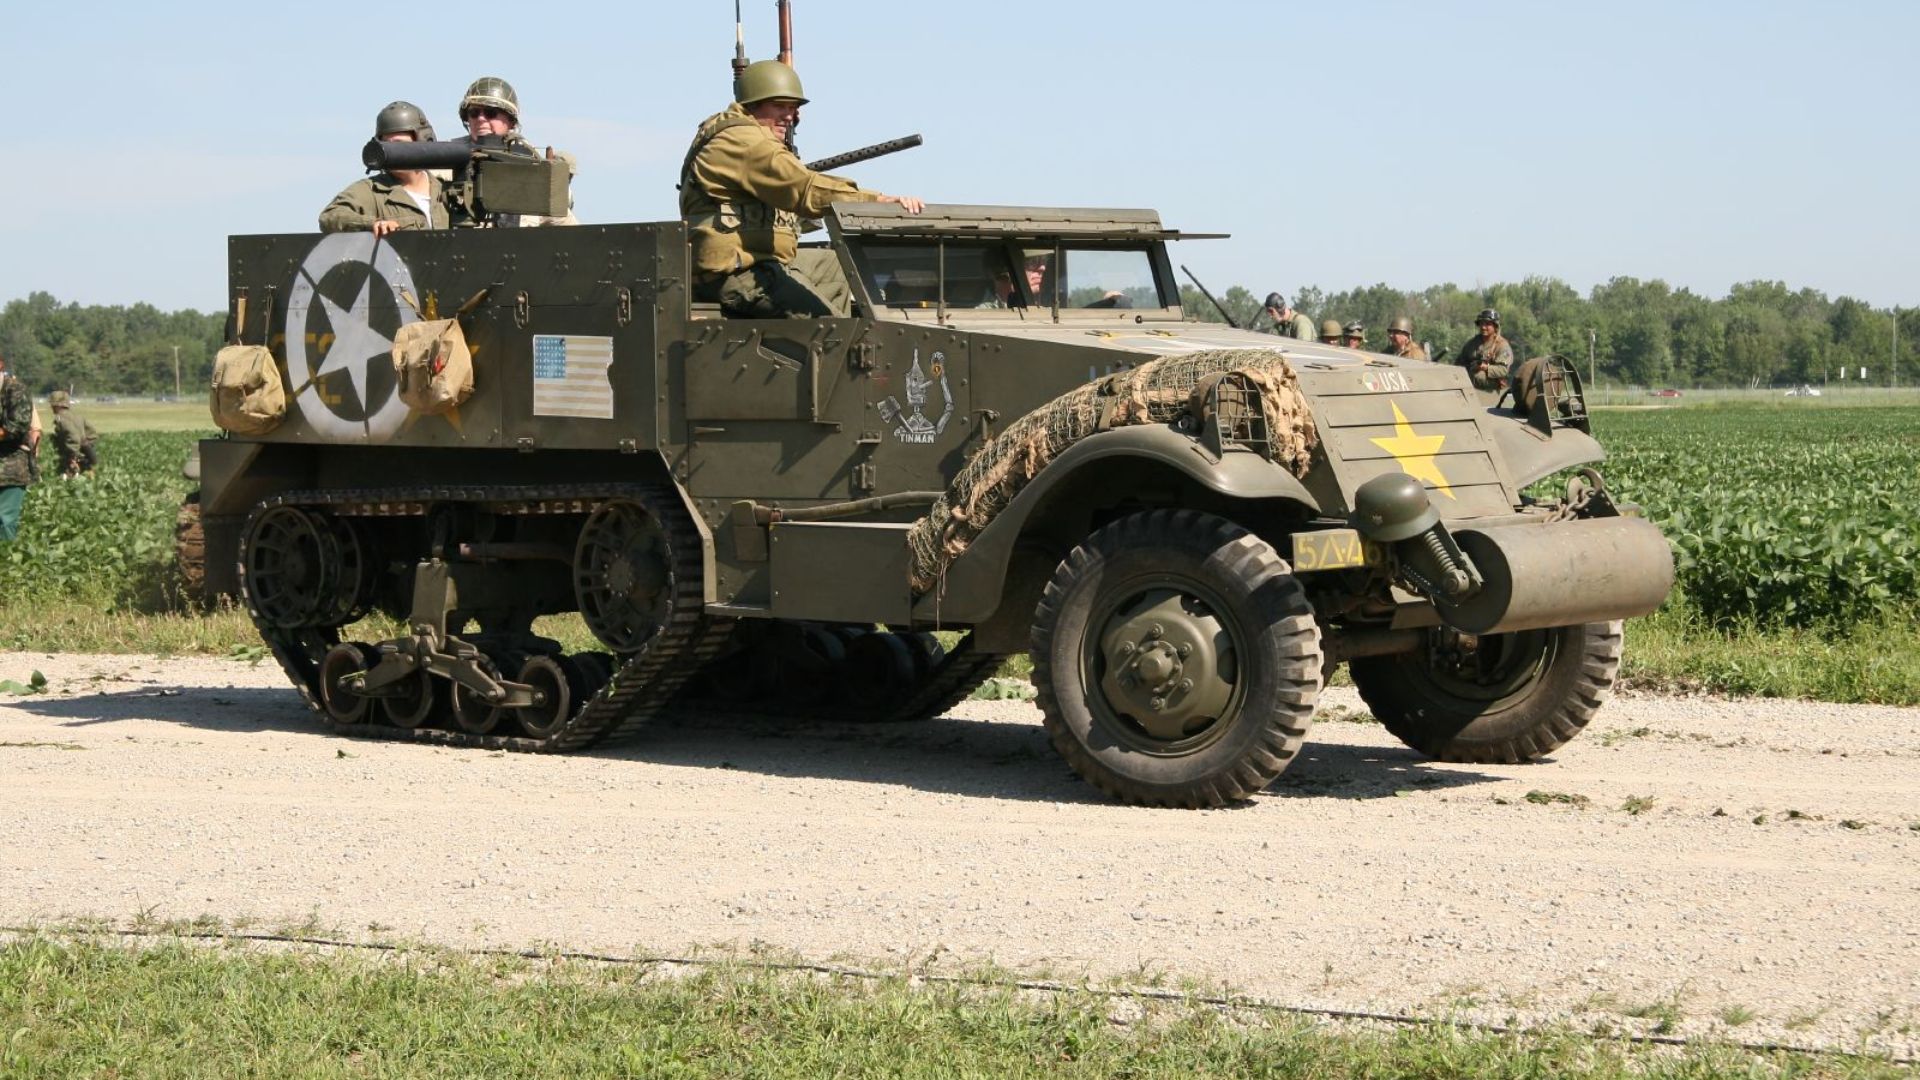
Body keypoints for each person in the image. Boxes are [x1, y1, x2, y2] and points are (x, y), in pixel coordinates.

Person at [681, 59, 925, 318]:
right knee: (832, 331)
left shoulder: (752, 139)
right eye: (779, 106)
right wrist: (875, 201)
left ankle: (832, 338)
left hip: (761, 261)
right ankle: (835, 339)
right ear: (751, 106)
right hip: (735, 272)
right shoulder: (742, 141)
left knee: (837, 266)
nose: (788, 115)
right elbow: (803, 188)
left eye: (793, 108)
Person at [452, 76, 578, 227]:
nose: (480, 118)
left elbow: (571, 231)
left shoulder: (532, 169)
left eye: (491, 112)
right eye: (473, 113)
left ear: (510, 121)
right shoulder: (448, 161)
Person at [318, 102, 450, 235]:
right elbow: (330, 216)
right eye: (386, 145)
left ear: (423, 142)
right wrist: (372, 224)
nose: (392, 152)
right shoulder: (371, 191)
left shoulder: (448, 191)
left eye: (399, 144)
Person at [0, 353, 34, 541]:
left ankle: (5, 563)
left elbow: (17, 426)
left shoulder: (16, 390)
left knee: (5, 520)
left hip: (10, 468)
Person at [1455, 307, 1514, 391]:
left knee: (1479, 375)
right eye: (1481, 323)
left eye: (1487, 324)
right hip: (1469, 386)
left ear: (1495, 326)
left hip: (1492, 387)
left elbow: (1503, 370)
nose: (1483, 327)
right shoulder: (1471, 344)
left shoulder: (1502, 346)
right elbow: (1459, 363)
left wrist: (1486, 367)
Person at [48, 391, 97, 477]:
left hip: (73, 459)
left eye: (53, 404)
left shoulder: (61, 419)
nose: (51, 407)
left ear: (57, 405)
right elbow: (92, 434)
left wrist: (73, 457)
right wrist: (86, 450)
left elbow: (73, 437)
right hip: (85, 457)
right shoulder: (77, 416)